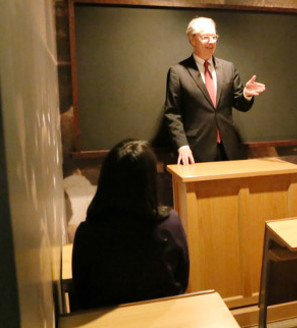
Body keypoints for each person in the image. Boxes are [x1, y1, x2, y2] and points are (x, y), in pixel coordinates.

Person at [72, 139, 189, 309]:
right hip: (166, 317)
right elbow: (182, 281)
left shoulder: (87, 234)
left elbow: (82, 294)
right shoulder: (170, 223)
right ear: (150, 182)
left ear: (106, 180)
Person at [164, 17, 266, 165]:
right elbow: (172, 113)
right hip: (195, 150)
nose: (211, 42)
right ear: (192, 39)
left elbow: (241, 104)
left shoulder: (228, 68)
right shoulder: (178, 72)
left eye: (214, 37)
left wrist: (246, 94)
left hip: (229, 149)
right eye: (205, 37)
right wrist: (182, 145)